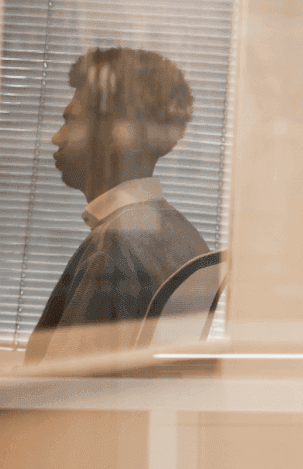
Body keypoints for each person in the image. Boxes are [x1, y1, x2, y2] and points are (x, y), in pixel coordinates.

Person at [23, 48, 209, 364]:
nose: (56, 138)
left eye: (70, 121)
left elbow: (63, 398)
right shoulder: (185, 237)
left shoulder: (113, 249)